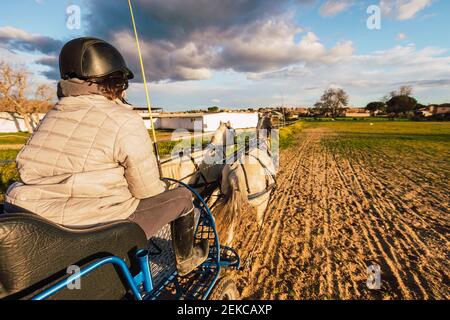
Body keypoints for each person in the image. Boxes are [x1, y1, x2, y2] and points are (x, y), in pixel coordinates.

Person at [3, 37, 208, 276]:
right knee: (183, 197)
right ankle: (186, 260)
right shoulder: (124, 119)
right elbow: (147, 192)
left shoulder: (51, 115)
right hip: (96, 228)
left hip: (35, 221)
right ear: (116, 81)